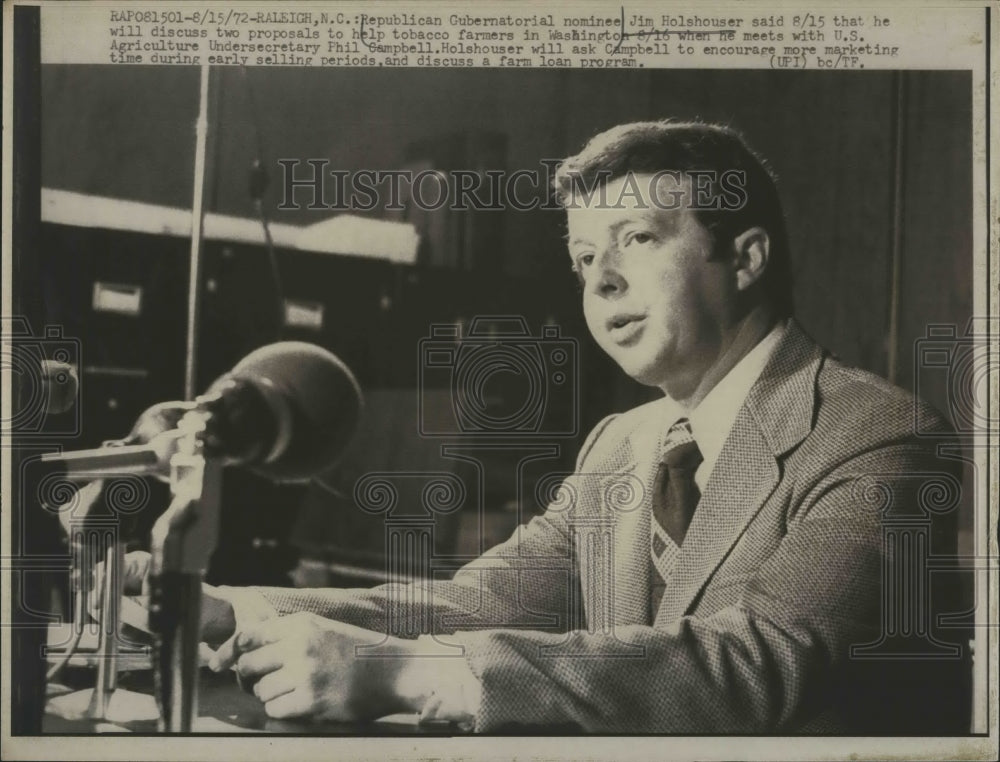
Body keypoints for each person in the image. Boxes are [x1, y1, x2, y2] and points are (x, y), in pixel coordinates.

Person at [122, 120, 966, 733]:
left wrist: (406, 674)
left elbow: (758, 667)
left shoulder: (878, 433)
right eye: (583, 258)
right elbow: (475, 600)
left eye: (636, 239)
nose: (600, 283)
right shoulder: (622, 446)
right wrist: (234, 613)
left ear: (745, 257)